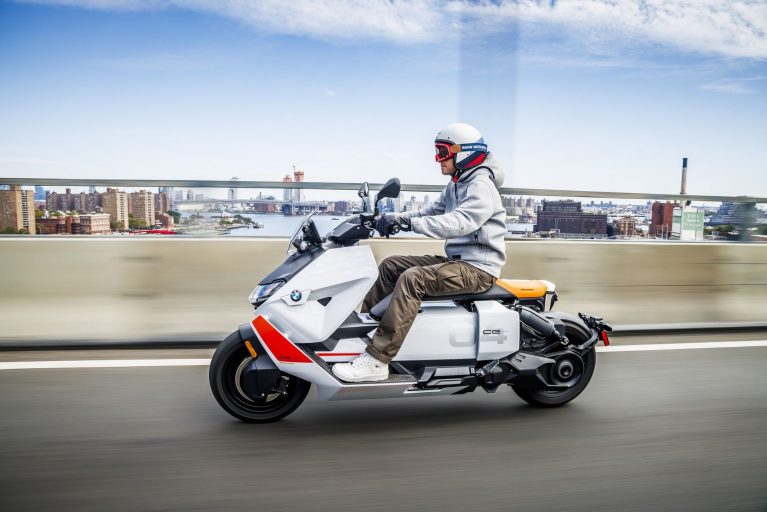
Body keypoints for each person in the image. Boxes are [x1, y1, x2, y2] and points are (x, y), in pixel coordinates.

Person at [332, 122, 507, 382]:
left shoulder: (480, 185)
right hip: (458, 263)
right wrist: (395, 218)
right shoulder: (457, 184)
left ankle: (378, 360)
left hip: (479, 269)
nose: (438, 159)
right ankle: (366, 335)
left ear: (465, 153)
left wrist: (409, 225)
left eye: (443, 152)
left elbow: (461, 222)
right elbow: (429, 212)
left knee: (414, 278)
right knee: (391, 266)